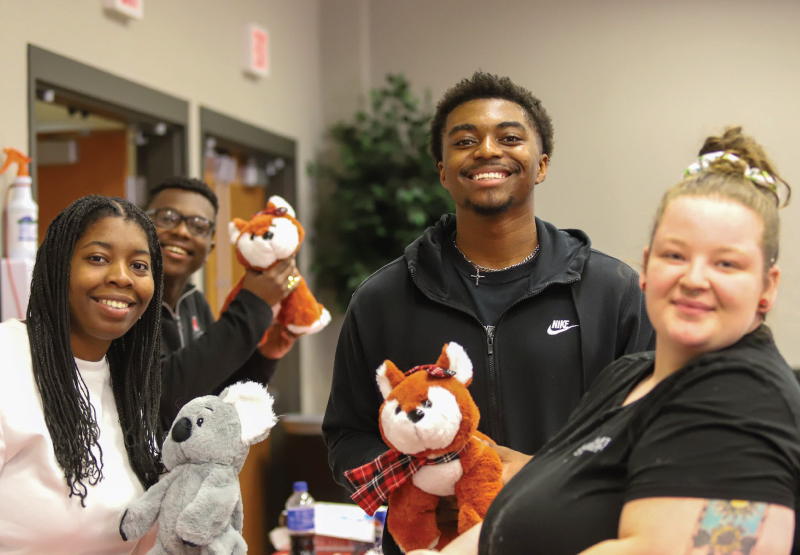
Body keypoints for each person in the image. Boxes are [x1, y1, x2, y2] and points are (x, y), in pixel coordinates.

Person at [410, 127, 800, 555]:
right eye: (675, 255)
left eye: (727, 264)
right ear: (647, 269)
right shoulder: (627, 376)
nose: (694, 279)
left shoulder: (746, 397)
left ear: (768, 286)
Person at [322, 72, 654, 555]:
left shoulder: (613, 292)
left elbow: (648, 430)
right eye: (465, 140)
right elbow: (346, 436)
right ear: (442, 170)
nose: (486, 150)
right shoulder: (382, 299)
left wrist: (542, 478)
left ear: (540, 165)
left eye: (510, 137)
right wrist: (424, 487)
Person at [0, 195, 163, 554]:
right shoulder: (7, 361)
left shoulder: (129, 389)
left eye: (139, 265)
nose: (121, 277)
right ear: (58, 266)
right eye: (97, 258)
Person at [146, 177, 298, 429]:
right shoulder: (129, 302)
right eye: (168, 217)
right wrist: (252, 306)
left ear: (210, 247)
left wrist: (264, 358)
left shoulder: (193, 301)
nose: (182, 231)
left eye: (198, 225)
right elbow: (161, 396)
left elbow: (215, 398)